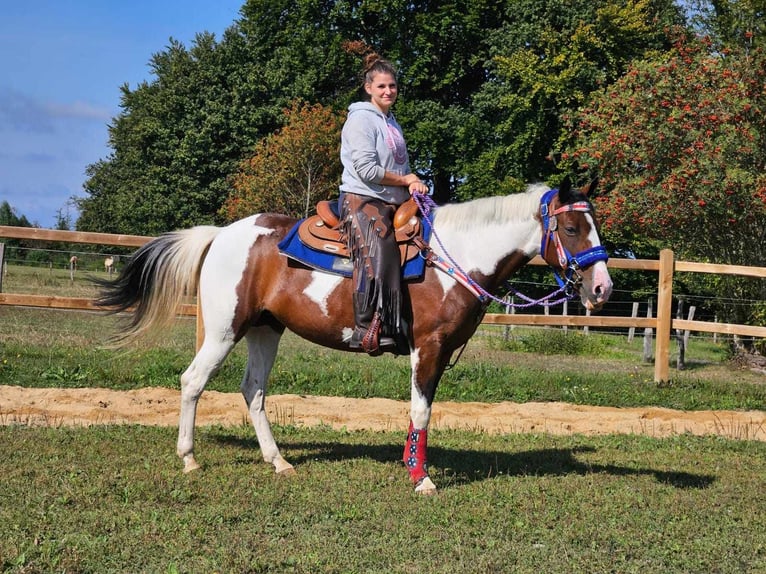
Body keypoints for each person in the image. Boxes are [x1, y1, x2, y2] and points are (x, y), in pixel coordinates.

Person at [339, 52, 429, 355]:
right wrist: (405, 180)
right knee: (382, 245)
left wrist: (412, 184)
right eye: (381, 86)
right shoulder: (360, 120)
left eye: (392, 86)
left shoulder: (392, 123)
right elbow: (367, 171)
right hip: (361, 198)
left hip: (394, 200)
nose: (388, 91)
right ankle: (368, 327)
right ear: (368, 88)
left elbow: (399, 167)